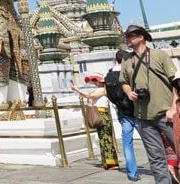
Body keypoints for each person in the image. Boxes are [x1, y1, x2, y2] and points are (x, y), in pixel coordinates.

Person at [121, 24, 178, 184]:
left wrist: (174, 107)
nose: (127, 39)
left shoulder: (160, 55)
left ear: (141, 37)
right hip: (143, 117)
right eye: (126, 36)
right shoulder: (126, 59)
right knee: (156, 158)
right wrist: (128, 92)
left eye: (130, 36)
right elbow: (124, 82)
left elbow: (175, 83)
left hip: (166, 114)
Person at [71, 74, 119, 170]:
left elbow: (90, 96)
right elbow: (89, 96)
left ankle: (112, 163)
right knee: (103, 139)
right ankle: (106, 162)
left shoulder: (102, 89)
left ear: (99, 81)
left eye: (95, 80)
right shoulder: (100, 89)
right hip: (100, 114)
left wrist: (77, 90)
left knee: (106, 139)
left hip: (102, 115)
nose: (94, 82)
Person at [106, 49, 140, 181]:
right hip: (137, 110)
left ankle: (132, 173)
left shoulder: (109, 74)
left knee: (127, 143)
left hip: (122, 112)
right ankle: (160, 168)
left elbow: (109, 95)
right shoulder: (128, 72)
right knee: (151, 141)